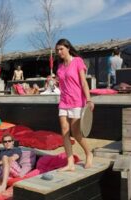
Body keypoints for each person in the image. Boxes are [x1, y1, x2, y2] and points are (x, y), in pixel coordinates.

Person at [55, 38, 94, 171]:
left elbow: (83, 82)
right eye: (57, 50)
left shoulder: (78, 61)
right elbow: (62, 83)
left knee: (76, 133)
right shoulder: (60, 66)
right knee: (65, 132)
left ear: (68, 48)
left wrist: (89, 100)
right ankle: (70, 163)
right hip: (63, 102)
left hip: (77, 101)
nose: (59, 52)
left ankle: (89, 153)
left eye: (61, 49)